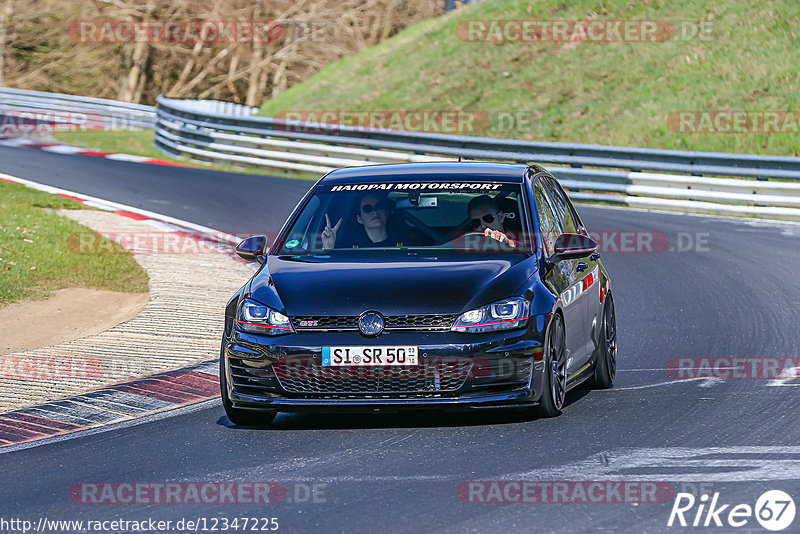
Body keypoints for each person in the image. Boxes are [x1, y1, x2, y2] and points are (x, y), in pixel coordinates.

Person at [321, 193, 400, 249]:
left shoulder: (405, 243)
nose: (375, 212)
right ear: (359, 219)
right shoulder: (348, 248)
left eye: (379, 206)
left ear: (387, 212)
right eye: (367, 209)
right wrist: (328, 248)